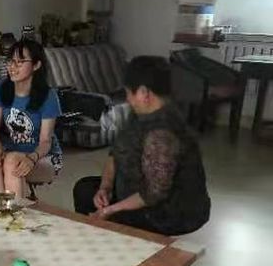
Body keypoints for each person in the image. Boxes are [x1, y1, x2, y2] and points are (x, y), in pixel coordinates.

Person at [73, 56, 211, 235]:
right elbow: (115, 153)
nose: (128, 99)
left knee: (113, 219)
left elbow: (154, 193)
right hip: (135, 190)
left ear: (144, 93)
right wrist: (105, 187)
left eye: (129, 93)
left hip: (170, 210)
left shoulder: (163, 133)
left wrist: (110, 210)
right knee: (85, 190)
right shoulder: (139, 113)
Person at [0, 39, 63, 206]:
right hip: (11, 151)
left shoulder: (48, 96)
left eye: (20, 62)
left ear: (36, 65)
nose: (13, 66)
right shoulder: (2, 87)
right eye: (11, 61)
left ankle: (15, 216)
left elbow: (45, 141)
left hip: (43, 156)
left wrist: (32, 158)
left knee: (12, 162)